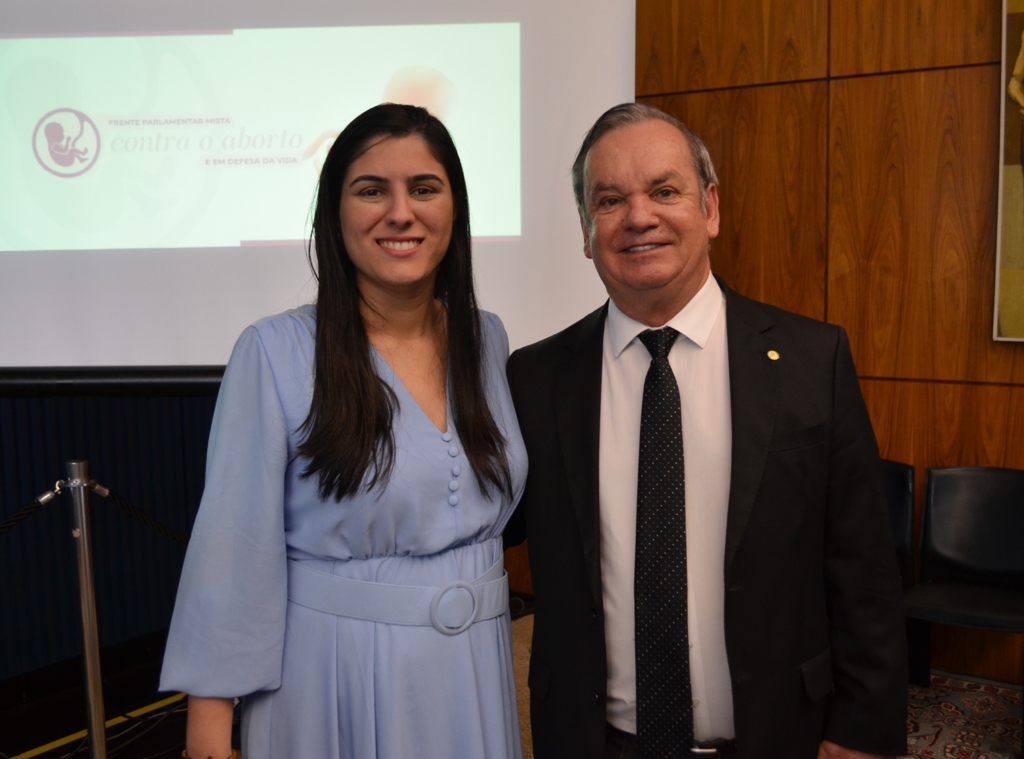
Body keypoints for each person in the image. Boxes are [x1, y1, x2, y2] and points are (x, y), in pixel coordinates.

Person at [503, 103, 907, 758]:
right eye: (610, 199)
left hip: (777, 737)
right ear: (586, 229)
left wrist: (862, 729)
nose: (639, 216)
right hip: (594, 740)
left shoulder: (811, 360)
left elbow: (864, 566)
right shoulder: (537, 376)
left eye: (664, 190)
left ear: (710, 208)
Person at [161, 103, 527, 759]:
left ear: (455, 209)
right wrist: (210, 734)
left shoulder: (487, 338)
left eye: (424, 188)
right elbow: (232, 548)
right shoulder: (274, 352)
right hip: (335, 676)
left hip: (474, 672)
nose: (400, 211)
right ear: (336, 213)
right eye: (370, 190)